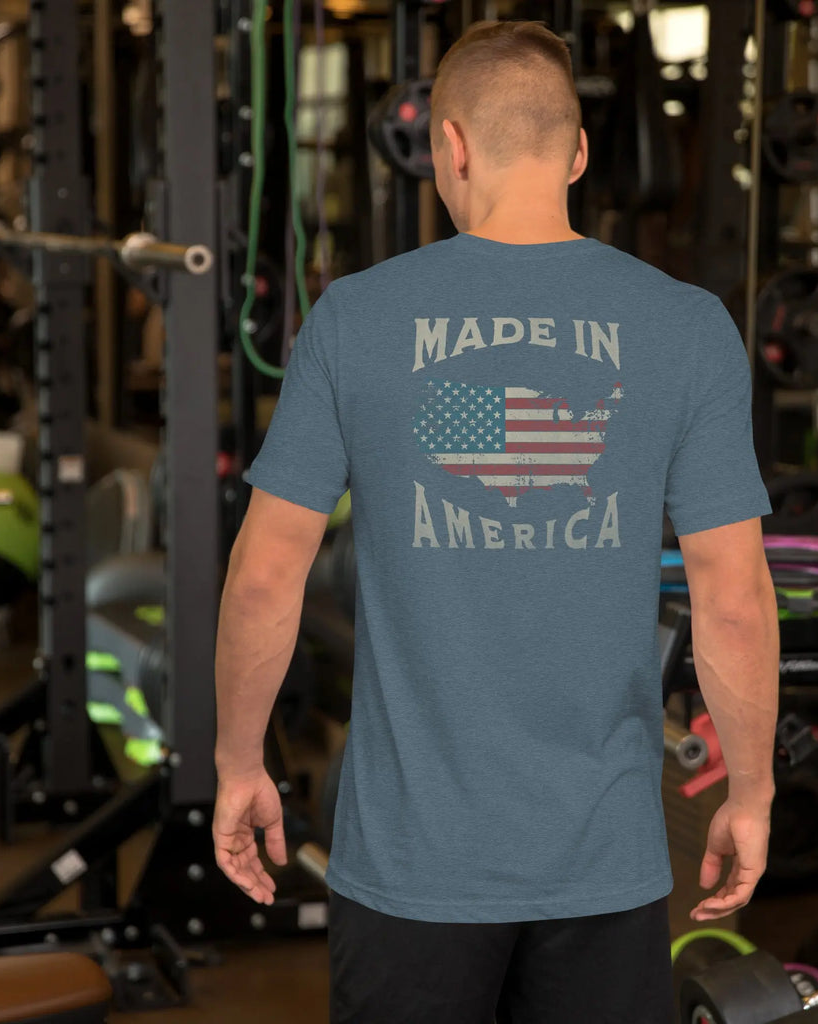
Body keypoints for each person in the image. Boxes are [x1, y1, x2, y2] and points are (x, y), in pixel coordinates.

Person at [212, 19, 779, 1024]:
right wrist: (753, 790)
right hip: (604, 861)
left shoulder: (355, 316)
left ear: (449, 146)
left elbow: (264, 576)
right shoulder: (685, 325)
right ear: (579, 152)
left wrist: (239, 764)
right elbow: (730, 596)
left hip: (410, 865)